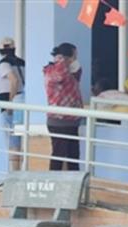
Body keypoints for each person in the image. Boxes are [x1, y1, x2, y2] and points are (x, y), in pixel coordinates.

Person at [43, 42, 84, 171]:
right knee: (58, 155)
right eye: (74, 56)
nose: (75, 59)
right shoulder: (51, 70)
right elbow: (59, 76)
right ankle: (54, 183)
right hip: (58, 120)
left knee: (73, 155)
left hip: (72, 120)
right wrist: (62, 61)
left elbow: (77, 75)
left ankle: (75, 185)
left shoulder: (73, 73)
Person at [0, 37, 25, 173]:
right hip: (23, 102)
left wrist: (9, 103)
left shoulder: (4, 64)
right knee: (18, 138)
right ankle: (17, 172)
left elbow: (14, 80)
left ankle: (14, 174)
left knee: (12, 141)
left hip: (12, 104)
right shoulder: (22, 63)